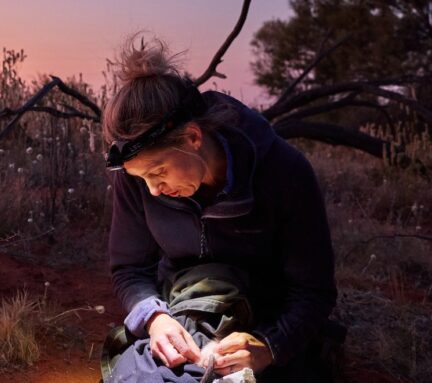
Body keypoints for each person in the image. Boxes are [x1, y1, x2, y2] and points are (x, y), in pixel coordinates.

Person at [102, 34, 340, 383]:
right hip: (186, 308)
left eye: (158, 172)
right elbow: (129, 269)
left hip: (265, 318)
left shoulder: (284, 172)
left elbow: (314, 292)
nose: (153, 189)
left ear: (193, 138)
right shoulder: (137, 177)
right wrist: (155, 318)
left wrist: (269, 346)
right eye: (142, 179)